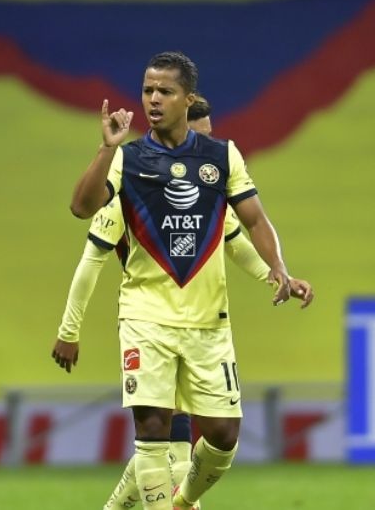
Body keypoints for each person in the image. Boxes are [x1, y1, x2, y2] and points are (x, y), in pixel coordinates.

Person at [68, 52, 305, 510]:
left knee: (223, 436)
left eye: (165, 91)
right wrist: (106, 148)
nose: (153, 99)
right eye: (147, 90)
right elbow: (81, 207)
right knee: (153, 432)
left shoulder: (221, 156)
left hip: (208, 324)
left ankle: (181, 501)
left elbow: (254, 221)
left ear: (188, 99)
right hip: (146, 318)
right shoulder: (128, 158)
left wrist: (278, 268)